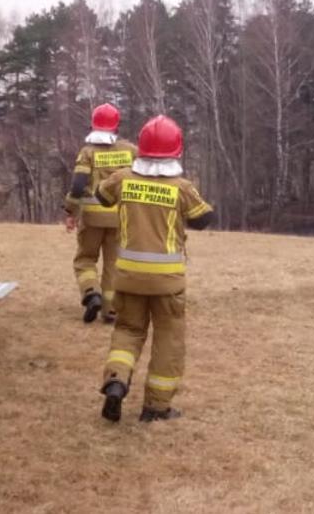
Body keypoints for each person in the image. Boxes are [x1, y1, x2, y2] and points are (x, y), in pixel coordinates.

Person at [93, 114, 215, 423]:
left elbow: (100, 197)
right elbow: (203, 219)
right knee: (168, 340)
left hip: (128, 277)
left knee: (127, 331)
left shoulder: (123, 179)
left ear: (142, 148)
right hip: (166, 283)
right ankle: (156, 407)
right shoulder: (181, 187)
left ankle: (117, 380)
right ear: (177, 149)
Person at [64, 103, 136, 323]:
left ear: (93, 124)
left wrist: (70, 211)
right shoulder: (131, 151)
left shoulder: (88, 152)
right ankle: (110, 309)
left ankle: (90, 292)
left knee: (85, 259)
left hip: (92, 218)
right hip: (120, 217)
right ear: (116, 126)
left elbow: (78, 185)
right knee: (114, 264)